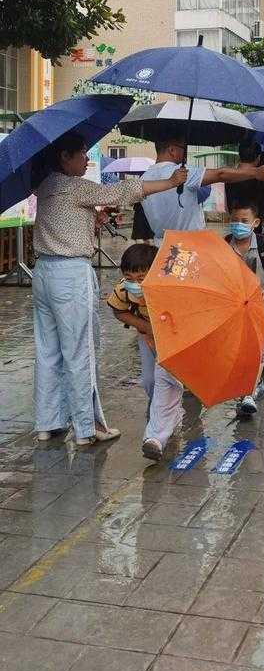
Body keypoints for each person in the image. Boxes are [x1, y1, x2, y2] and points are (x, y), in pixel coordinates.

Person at [32, 131, 187, 446]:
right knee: (80, 351)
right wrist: (170, 183)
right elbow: (124, 190)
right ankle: (88, 428)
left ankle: (48, 423)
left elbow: (69, 218)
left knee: (48, 351)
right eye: (81, 154)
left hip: (43, 273)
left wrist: (92, 219)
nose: (87, 160)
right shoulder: (74, 186)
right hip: (70, 275)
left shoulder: (46, 186)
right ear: (65, 157)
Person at [107, 243, 184, 462]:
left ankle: (156, 436)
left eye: (141, 278)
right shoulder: (124, 291)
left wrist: (162, 334)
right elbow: (118, 311)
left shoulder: (171, 289)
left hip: (173, 338)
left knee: (166, 380)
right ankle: (169, 415)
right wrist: (146, 329)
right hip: (147, 336)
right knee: (149, 381)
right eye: (129, 278)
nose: (135, 284)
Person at [140, 133, 264, 242]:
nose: (185, 153)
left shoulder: (143, 179)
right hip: (190, 245)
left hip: (162, 245)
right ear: (172, 150)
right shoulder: (182, 173)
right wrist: (256, 173)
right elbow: (220, 174)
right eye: (183, 148)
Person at [226, 202, 264, 415]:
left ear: (255, 223)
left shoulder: (263, 243)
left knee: (257, 349)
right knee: (242, 351)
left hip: (261, 305)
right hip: (235, 308)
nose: (238, 225)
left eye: (244, 221)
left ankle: (248, 393)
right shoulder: (225, 245)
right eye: (234, 220)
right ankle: (247, 385)